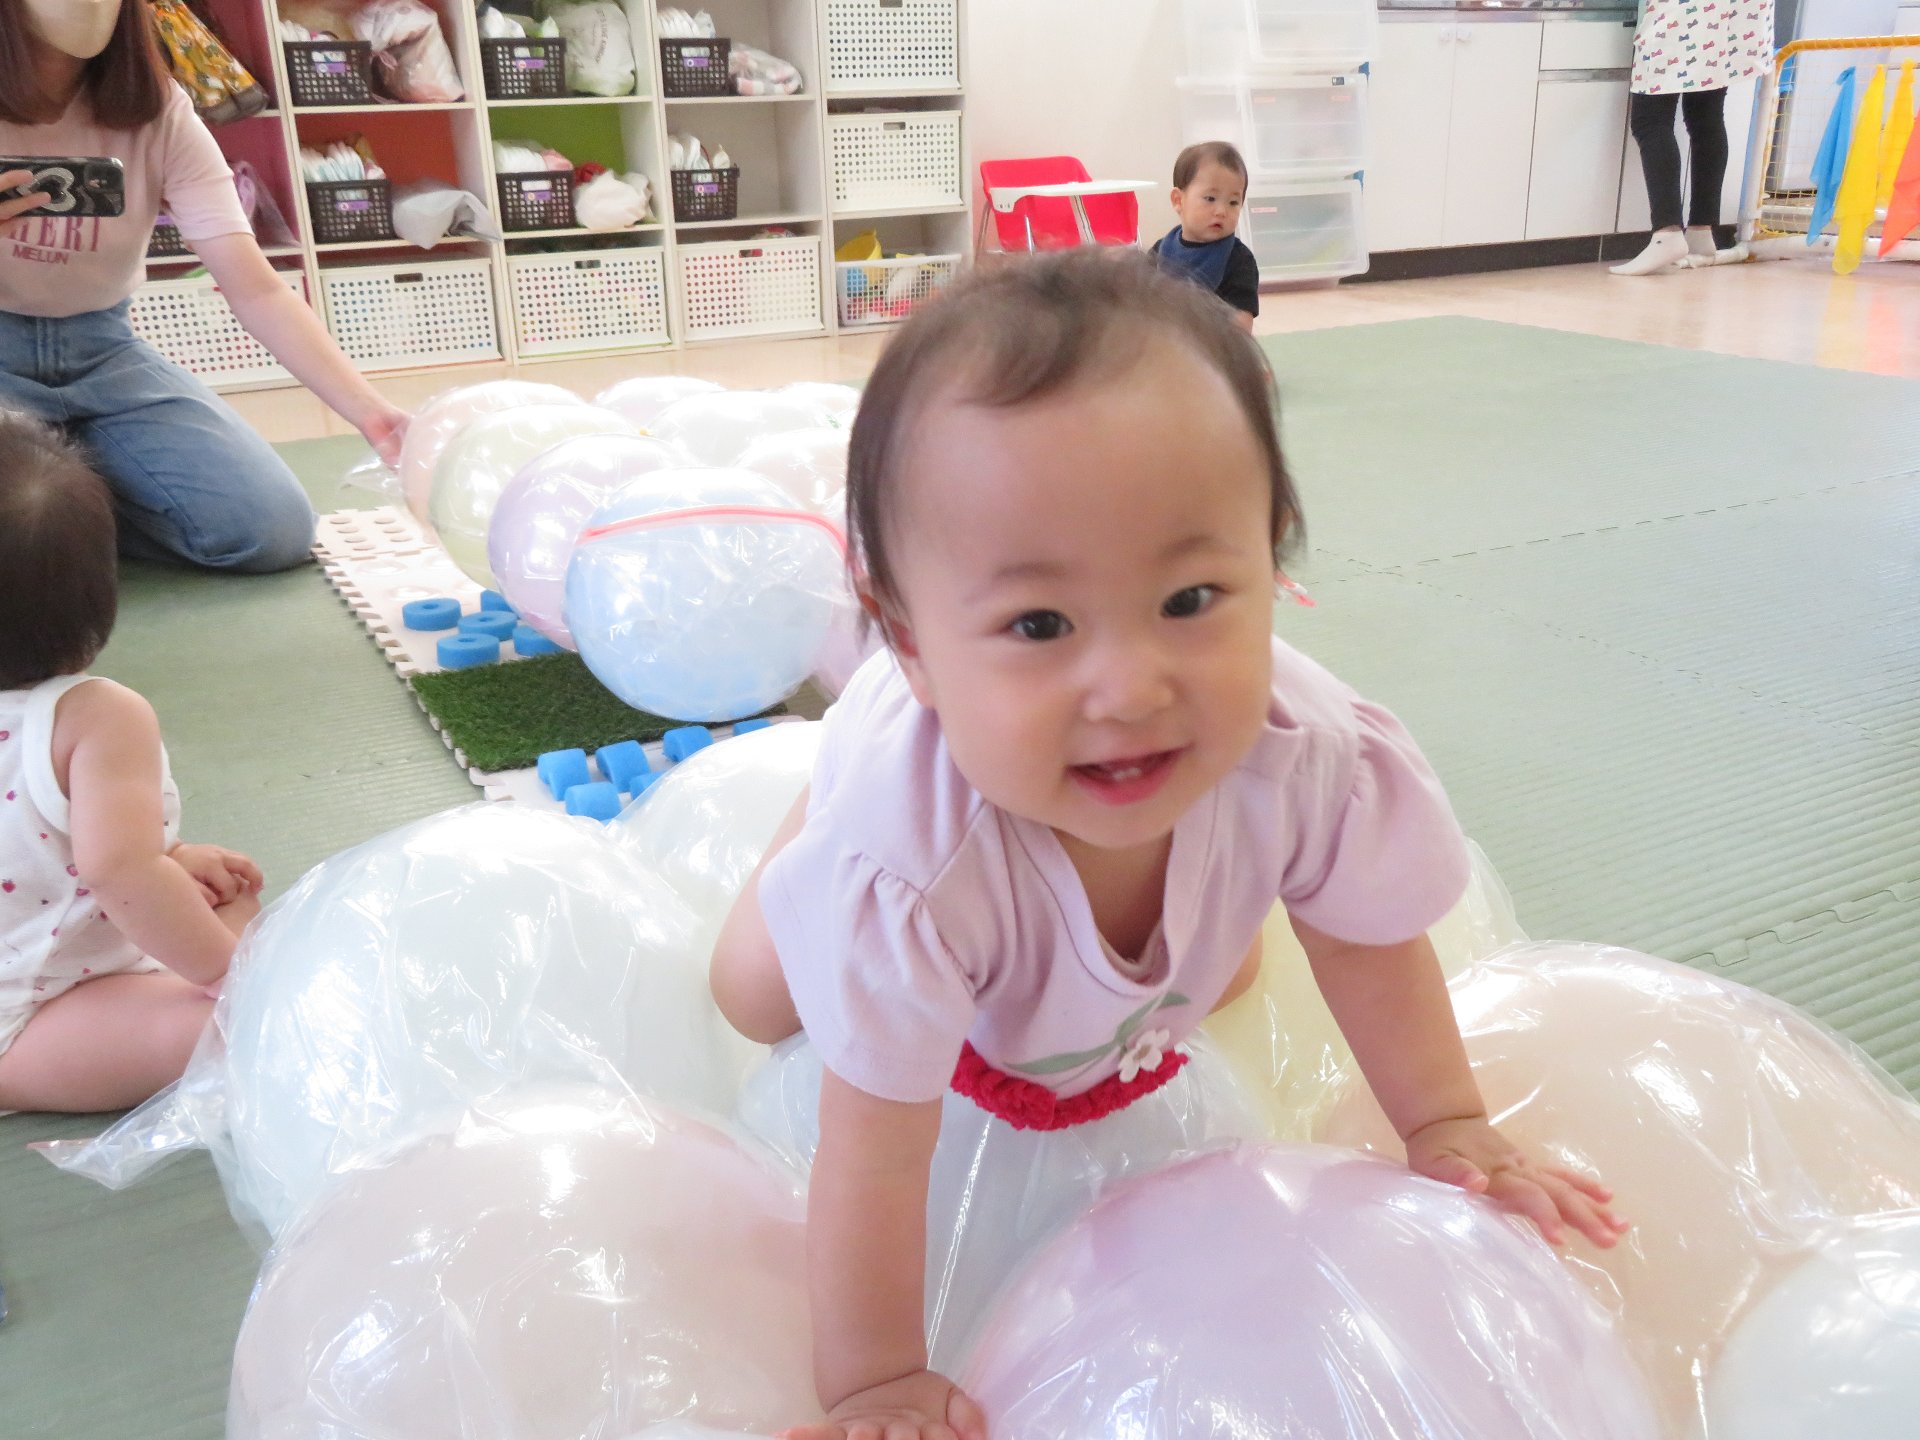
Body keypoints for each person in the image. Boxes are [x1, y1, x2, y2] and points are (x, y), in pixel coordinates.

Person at [709, 249, 1627, 1440]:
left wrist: (1445, 1121)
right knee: (757, 997)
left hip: (1059, 871)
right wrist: (878, 1378)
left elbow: (1366, 942)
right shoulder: (908, 869)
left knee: (1214, 967)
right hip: (909, 821)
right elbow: (876, 1158)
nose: (1131, 688)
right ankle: (813, 812)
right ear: (913, 643)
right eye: (1040, 624)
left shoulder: (1304, 757)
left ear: (1273, 555)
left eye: (1191, 600)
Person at [0, 0, 410, 571]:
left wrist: (371, 412)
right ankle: (55, 504)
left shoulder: (160, 110)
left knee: (273, 530)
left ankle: (67, 503)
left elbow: (255, 286)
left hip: (103, 353)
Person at [0, 411, 259, 1113]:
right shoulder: (94, 715)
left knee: (212, 892)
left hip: (41, 973)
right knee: (252, 1015)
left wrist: (170, 855)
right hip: (32, 1025)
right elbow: (118, 868)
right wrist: (228, 974)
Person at [1611, 0, 1775, 275]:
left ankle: (1668, 234)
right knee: (1706, 114)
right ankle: (1701, 231)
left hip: (1688, 10)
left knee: (1650, 119)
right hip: (1730, 12)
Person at [1148, 140, 1260, 331]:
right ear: (1178, 200)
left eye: (1233, 202)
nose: (1221, 211)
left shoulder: (1238, 259)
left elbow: (1242, 323)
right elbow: (1141, 301)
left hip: (1214, 350)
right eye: (1210, 199)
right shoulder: (1161, 251)